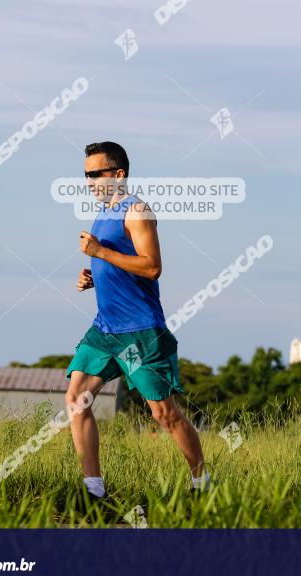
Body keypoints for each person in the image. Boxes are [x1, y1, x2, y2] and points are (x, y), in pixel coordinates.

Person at [67, 141, 209, 500]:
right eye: (86, 175)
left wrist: (100, 251)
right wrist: (95, 275)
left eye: (96, 174)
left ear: (119, 174)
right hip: (105, 330)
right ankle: (94, 492)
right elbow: (119, 265)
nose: (89, 182)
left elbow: (152, 266)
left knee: (164, 414)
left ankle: (201, 484)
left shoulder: (137, 211)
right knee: (77, 400)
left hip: (139, 333)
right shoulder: (103, 213)